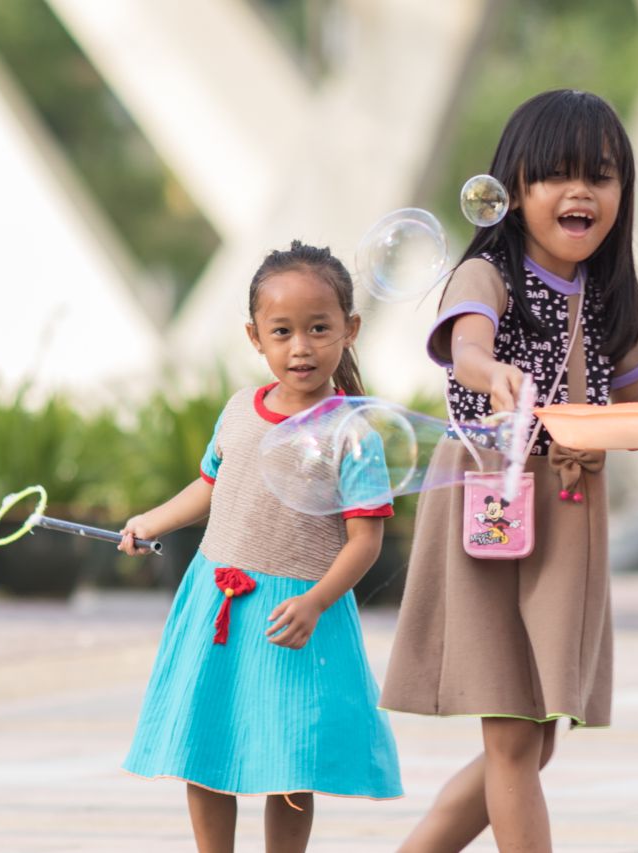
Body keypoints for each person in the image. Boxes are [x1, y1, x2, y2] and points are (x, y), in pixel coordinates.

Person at [380, 89, 638, 852]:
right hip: (493, 499)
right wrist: (492, 374)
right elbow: (469, 350)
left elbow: (635, 411)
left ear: (623, 192)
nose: (580, 192)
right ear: (513, 191)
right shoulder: (489, 274)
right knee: (512, 731)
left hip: (571, 515)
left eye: (600, 176)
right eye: (556, 175)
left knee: (535, 737)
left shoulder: (617, 298)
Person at [117, 241, 402, 853]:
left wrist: (317, 602)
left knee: (291, 756)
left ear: (349, 330)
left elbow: (366, 541)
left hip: (295, 613)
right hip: (217, 605)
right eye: (282, 331)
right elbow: (209, 487)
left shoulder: (351, 433)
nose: (301, 347)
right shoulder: (238, 411)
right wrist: (151, 521)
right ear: (255, 337)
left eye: (319, 328)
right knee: (205, 745)